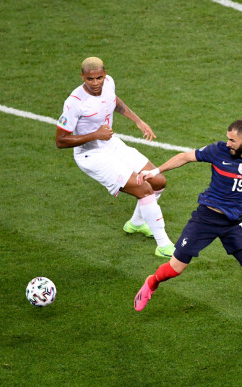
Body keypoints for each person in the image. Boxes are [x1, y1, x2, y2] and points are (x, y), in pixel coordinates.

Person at [133, 119, 242, 326]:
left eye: (232, 140)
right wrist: (155, 172)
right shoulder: (218, 151)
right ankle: (151, 283)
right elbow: (185, 157)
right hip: (206, 218)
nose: (228, 144)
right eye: (227, 139)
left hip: (235, 222)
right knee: (174, 269)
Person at [55, 57, 175, 257]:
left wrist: (138, 121)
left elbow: (115, 101)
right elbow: (60, 140)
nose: (95, 83)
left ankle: (136, 224)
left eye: (99, 78)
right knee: (144, 189)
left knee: (158, 181)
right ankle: (164, 245)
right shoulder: (74, 102)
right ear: (82, 77)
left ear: (105, 74)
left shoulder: (109, 83)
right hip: (91, 155)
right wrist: (96, 135)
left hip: (111, 144)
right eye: (90, 79)